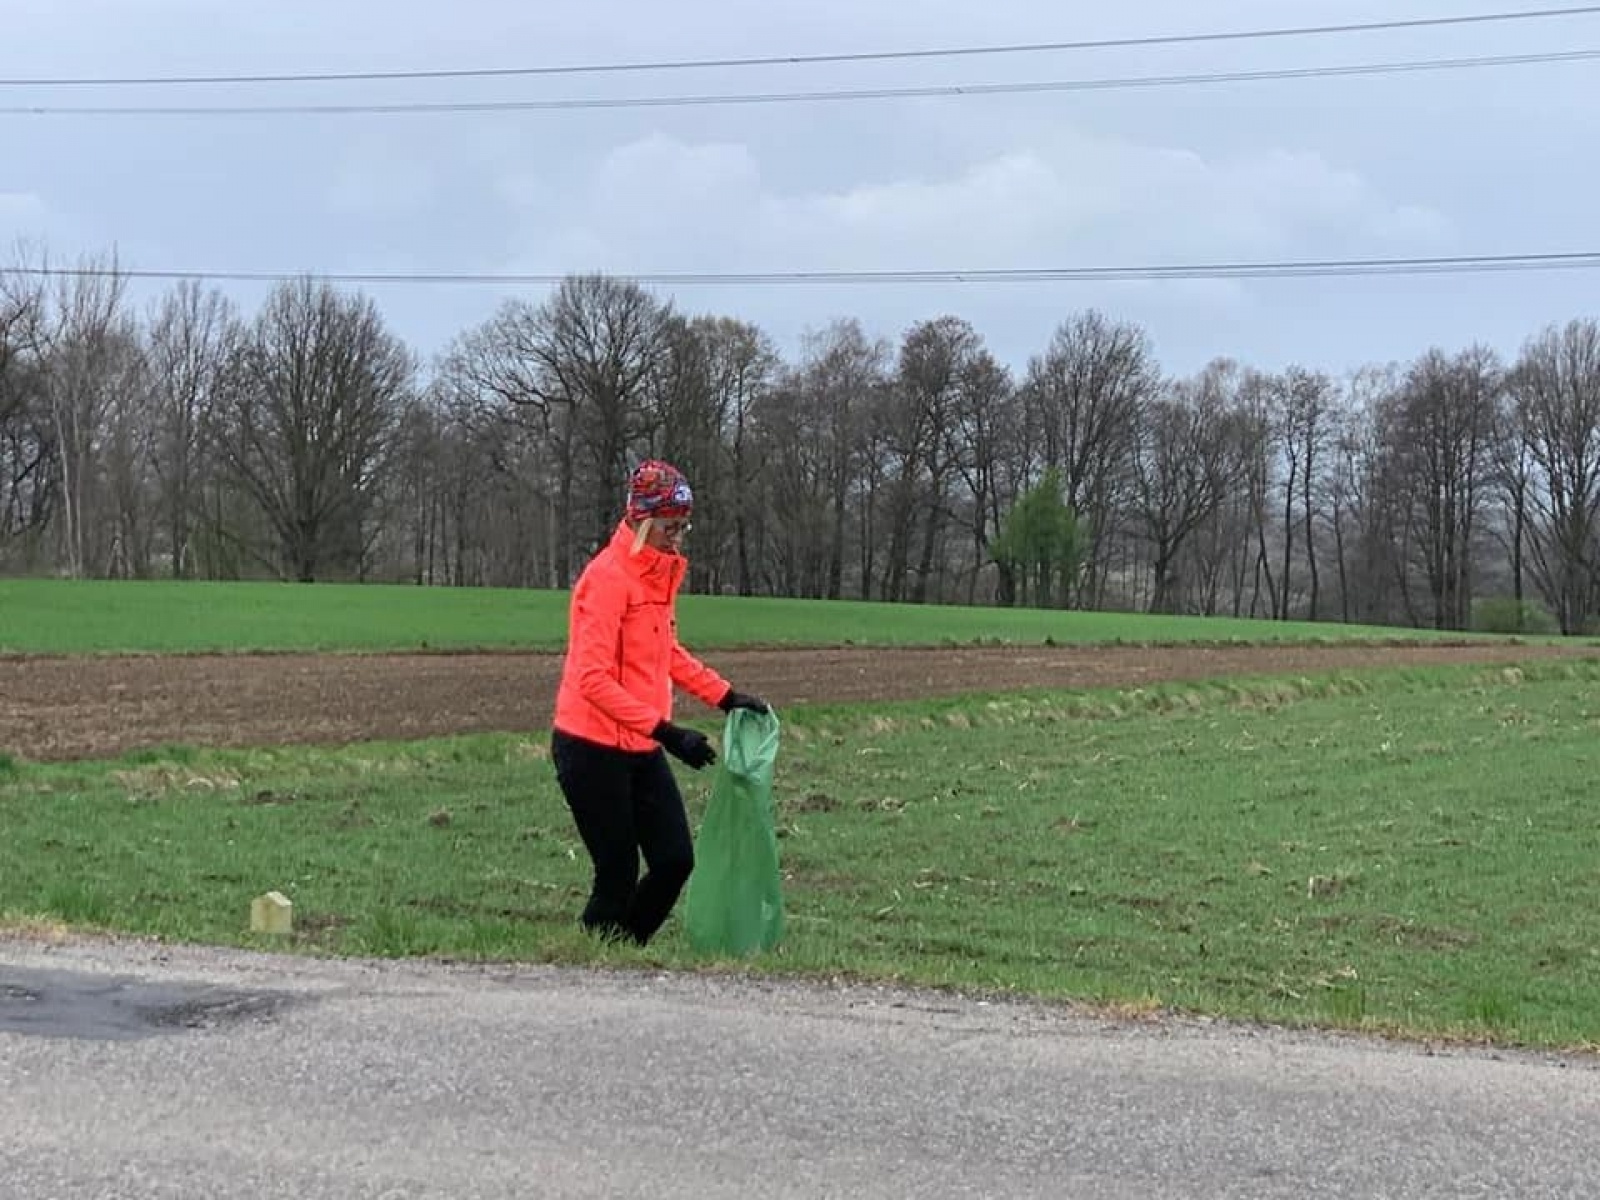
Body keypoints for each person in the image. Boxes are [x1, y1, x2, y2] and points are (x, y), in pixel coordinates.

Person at [550, 459, 770, 945]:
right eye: (670, 527)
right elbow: (591, 678)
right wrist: (668, 733)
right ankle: (588, 966)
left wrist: (726, 696)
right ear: (643, 520)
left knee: (675, 860)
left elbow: (665, 651)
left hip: (640, 746)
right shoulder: (606, 579)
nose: (678, 538)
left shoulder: (658, 576)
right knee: (617, 872)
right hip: (589, 747)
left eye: (683, 527)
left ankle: (618, 955)